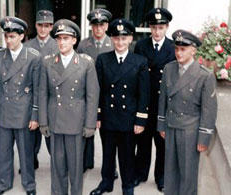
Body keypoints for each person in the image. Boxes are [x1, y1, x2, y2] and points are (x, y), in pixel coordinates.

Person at [39, 19, 100, 195]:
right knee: (57, 165)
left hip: (76, 122)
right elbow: (43, 93)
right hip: (55, 120)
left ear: (74, 40)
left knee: (75, 166)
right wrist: (43, 120)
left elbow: (92, 95)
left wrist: (90, 124)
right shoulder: (48, 62)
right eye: (59, 39)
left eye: (66, 38)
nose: (62, 42)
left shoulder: (85, 63)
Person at [90, 19, 150, 195]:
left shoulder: (140, 61)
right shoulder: (103, 60)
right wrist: (98, 115)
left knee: (127, 156)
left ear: (131, 39)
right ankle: (106, 183)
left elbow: (143, 94)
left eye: (124, 38)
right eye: (116, 38)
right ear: (112, 39)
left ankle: (127, 185)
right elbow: (98, 91)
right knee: (108, 154)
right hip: (108, 116)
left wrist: (140, 119)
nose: (120, 42)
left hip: (128, 118)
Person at [157, 29, 217, 195]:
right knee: (170, 172)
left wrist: (203, 137)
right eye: (176, 49)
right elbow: (163, 98)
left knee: (187, 175)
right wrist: (161, 124)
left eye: (183, 49)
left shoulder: (204, 75)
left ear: (193, 50)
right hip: (171, 126)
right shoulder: (169, 69)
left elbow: (209, 110)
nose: (178, 53)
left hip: (190, 131)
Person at [0, 16, 39, 195]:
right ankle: (4, 183)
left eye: (12, 36)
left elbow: (37, 89)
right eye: (6, 36)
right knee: (3, 152)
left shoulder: (33, 57)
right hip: (3, 110)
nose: (8, 40)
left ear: (22, 36)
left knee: (26, 153)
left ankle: (29, 184)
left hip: (24, 112)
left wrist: (35, 116)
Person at [133, 8, 175, 191]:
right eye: (154, 27)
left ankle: (162, 177)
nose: (157, 32)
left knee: (162, 144)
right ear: (149, 28)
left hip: (163, 104)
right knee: (142, 142)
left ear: (166, 27)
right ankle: (140, 174)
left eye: (161, 27)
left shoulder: (173, 48)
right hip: (145, 102)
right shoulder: (141, 46)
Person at [77, 8, 118, 176]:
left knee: (110, 135)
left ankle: (111, 167)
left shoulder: (114, 43)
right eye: (95, 25)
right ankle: (86, 162)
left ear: (107, 26)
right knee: (86, 129)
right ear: (91, 26)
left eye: (101, 25)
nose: (98, 29)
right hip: (87, 93)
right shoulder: (83, 45)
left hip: (109, 94)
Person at [24, 9, 58, 164]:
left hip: (51, 95)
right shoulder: (27, 46)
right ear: (35, 26)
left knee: (51, 132)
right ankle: (32, 159)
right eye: (40, 25)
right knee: (31, 131)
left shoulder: (59, 45)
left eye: (47, 25)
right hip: (31, 95)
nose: (43, 29)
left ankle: (57, 163)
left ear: (51, 27)